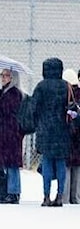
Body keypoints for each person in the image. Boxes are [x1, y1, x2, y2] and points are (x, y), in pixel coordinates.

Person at [31, 57, 71, 206]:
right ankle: (60, 196)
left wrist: (37, 123)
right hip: (62, 130)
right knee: (61, 162)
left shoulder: (41, 86)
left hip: (45, 129)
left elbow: (34, 107)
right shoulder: (65, 86)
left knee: (47, 161)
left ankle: (46, 196)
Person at [0, 67, 24, 204]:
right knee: (7, 163)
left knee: (12, 164)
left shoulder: (15, 94)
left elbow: (6, 110)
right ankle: (8, 190)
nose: (3, 78)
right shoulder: (2, 92)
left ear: (13, 78)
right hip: (3, 133)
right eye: (1, 75)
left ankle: (14, 192)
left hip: (12, 133)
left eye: (6, 75)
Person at [63, 69, 80, 205]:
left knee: (68, 166)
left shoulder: (67, 94)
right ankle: (75, 197)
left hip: (69, 136)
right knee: (77, 168)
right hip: (77, 138)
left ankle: (66, 196)